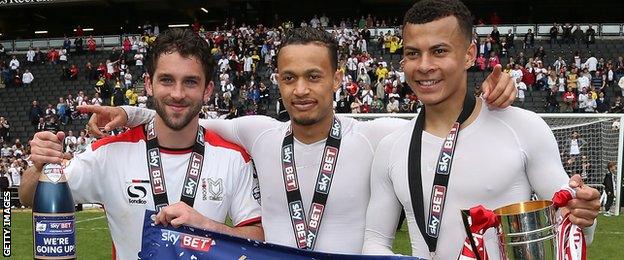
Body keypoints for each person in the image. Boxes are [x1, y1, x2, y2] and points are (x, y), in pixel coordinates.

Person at [81, 27, 516, 254]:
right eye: (289, 78)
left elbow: (442, 127)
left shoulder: (376, 136)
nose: (301, 90)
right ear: (277, 82)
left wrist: (492, 99)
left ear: (338, 79)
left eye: (314, 76)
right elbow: (184, 113)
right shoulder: (258, 132)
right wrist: (132, 113)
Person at [362, 1, 600, 258]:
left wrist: (584, 214)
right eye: (412, 53)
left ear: (469, 55)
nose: (423, 65)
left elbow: (575, 222)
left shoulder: (522, 128)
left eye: (439, 51)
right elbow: (375, 240)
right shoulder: (391, 148)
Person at [19, 28, 263, 259]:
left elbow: (259, 239)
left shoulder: (233, 158)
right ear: (148, 84)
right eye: (167, 80)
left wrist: (207, 227)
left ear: (207, 89)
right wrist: (39, 165)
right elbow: (28, 197)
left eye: (190, 82)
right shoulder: (109, 154)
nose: (177, 94)